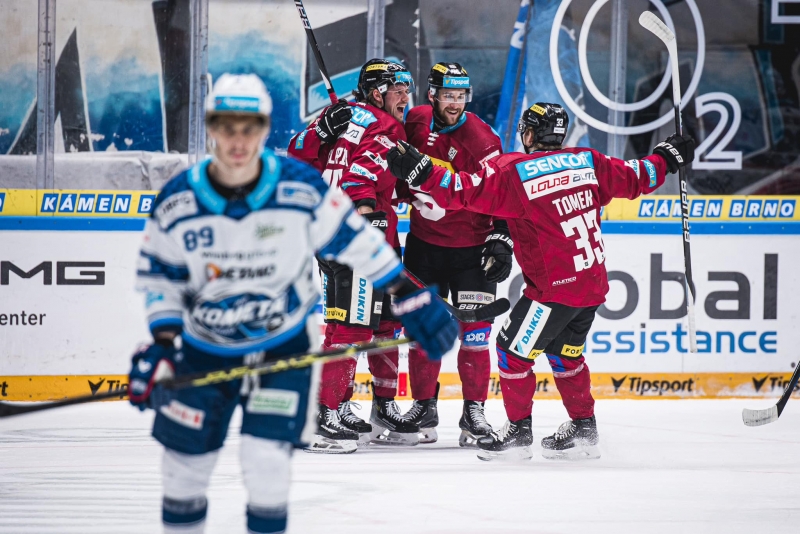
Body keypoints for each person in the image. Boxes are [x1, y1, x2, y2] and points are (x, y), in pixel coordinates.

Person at [129, 73, 458, 534]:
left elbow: (356, 241)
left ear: (264, 128)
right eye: (226, 125)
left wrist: (410, 297)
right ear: (210, 127)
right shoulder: (178, 199)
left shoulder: (299, 187)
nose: (238, 139)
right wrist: (163, 341)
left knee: (267, 470)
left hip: (281, 353)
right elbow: (159, 278)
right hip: (202, 352)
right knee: (184, 473)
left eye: (249, 126)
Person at [387, 102, 694, 461]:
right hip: (592, 284)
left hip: (553, 291)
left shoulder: (516, 171)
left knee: (510, 351)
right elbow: (637, 177)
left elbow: (463, 191)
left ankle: (518, 433)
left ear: (529, 134)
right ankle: (584, 429)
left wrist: (423, 174)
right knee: (566, 355)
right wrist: (668, 156)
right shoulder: (588, 162)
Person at [288, 58, 421, 448]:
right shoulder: (383, 125)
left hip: (336, 233)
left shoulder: (346, 117)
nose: (405, 96)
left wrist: (323, 127)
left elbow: (297, 153)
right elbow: (358, 177)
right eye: (397, 88)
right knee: (350, 328)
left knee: (377, 325)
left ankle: (358, 405)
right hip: (358, 238)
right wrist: (367, 215)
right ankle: (323, 415)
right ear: (377, 91)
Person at [399, 62, 510, 446]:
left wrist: (501, 235)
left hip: (470, 253)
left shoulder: (481, 140)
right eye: (448, 95)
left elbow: (502, 190)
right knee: (420, 332)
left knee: (476, 336)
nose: (455, 103)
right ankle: (424, 407)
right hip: (423, 246)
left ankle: (474, 412)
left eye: (461, 96)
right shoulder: (415, 120)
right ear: (432, 94)